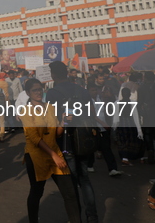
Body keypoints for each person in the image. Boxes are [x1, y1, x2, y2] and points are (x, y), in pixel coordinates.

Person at [19, 78, 81, 223]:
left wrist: (64, 122)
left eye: (40, 89)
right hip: (36, 157)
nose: (38, 92)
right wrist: (54, 156)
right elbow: (34, 138)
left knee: (70, 193)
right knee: (36, 192)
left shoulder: (50, 107)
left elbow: (57, 133)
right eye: (34, 90)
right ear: (28, 93)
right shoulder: (26, 111)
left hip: (54, 153)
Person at [46, 60, 98, 223]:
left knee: (72, 181)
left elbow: (50, 118)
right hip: (84, 139)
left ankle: (76, 217)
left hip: (66, 140)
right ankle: (92, 217)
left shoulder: (53, 93)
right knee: (85, 179)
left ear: (53, 75)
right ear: (67, 73)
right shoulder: (81, 90)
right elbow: (92, 113)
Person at [113, 87, 144, 166]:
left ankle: (125, 158)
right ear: (130, 94)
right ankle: (132, 157)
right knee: (131, 141)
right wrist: (139, 128)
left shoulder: (117, 102)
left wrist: (114, 126)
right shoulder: (132, 103)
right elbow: (136, 115)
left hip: (122, 124)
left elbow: (116, 116)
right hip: (131, 124)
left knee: (123, 141)